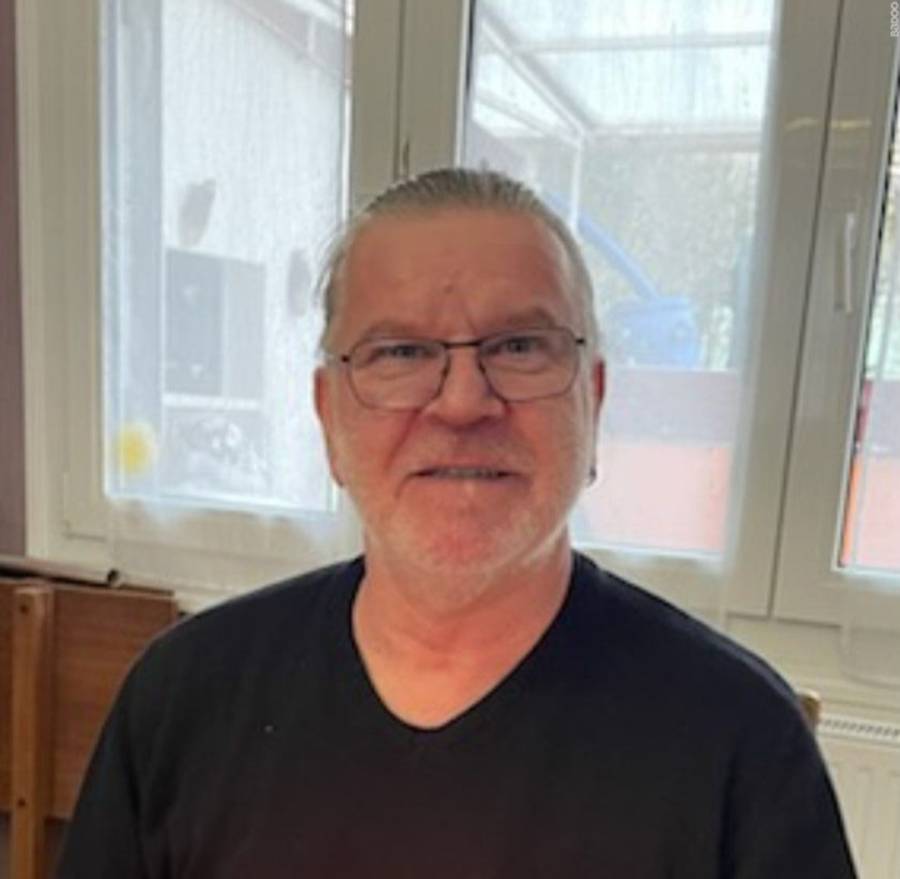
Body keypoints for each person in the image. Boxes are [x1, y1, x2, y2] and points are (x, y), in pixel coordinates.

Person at [57, 168, 857, 878]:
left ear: (594, 399)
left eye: (520, 346)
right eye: (401, 353)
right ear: (329, 417)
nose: (464, 400)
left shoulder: (740, 744)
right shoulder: (181, 701)